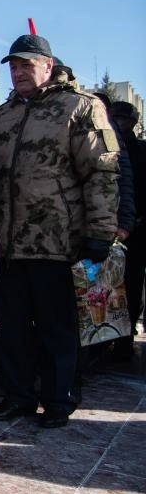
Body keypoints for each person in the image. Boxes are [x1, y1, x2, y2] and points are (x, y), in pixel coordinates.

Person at [0, 34, 120, 429]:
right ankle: (18, 396)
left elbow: (102, 172)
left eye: (28, 64)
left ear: (48, 66)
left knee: (55, 326)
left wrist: (101, 229)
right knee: (11, 327)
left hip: (57, 240)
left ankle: (59, 400)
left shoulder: (79, 107)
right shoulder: (3, 114)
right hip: (8, 241)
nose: (19, 72)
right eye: (14, 66)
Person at [109, 100, 146, 360]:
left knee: (131, 284)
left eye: (125, 120)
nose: (120, 124)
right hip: (112, 226)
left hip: (135, 230)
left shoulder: (140, 150)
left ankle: (124, 339)